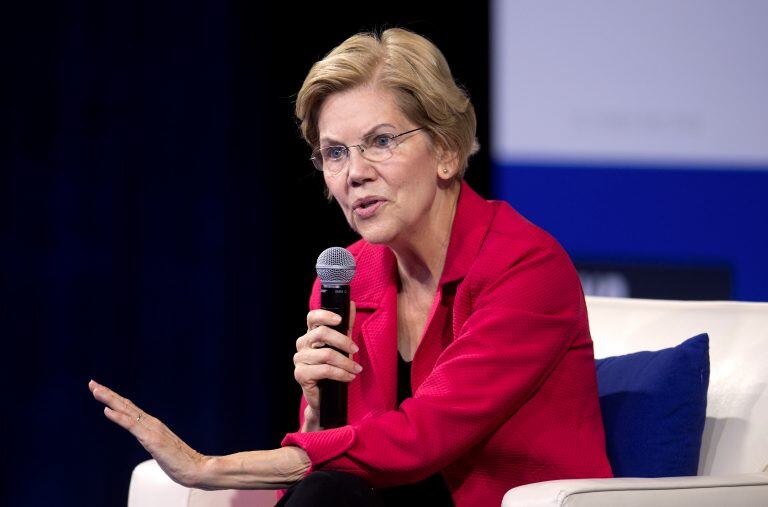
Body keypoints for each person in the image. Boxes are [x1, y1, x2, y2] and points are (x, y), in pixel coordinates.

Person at [88, 27, 613, 507]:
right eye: (334, 153)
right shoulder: (346, 278)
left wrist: (212, 468)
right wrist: (319, 412)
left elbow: (422, 436)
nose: (354, 173)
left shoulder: (525, 267)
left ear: (447, 151)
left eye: (380, 141)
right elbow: (351, 464)